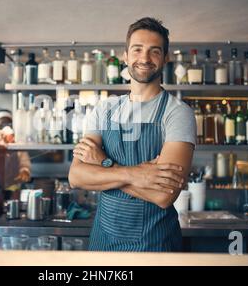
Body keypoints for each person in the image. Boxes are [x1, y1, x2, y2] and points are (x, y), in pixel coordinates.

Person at [68, 17, 196, 252]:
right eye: (137, 49)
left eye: (154, 51)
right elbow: (76, 176)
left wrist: (103, 164)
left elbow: (163, 196)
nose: (144, 59)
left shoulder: (178, 113)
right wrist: (139, 175)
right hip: (103, 244)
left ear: (165, 58)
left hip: (155, 245)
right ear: (125, 56)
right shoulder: (103, 109)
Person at [0, 110, 31, 197]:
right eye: (1, 125)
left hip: (14, 188)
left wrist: (25, 171)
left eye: (8, 124)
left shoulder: (18, 144)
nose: (5, 127)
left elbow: (25, 163)